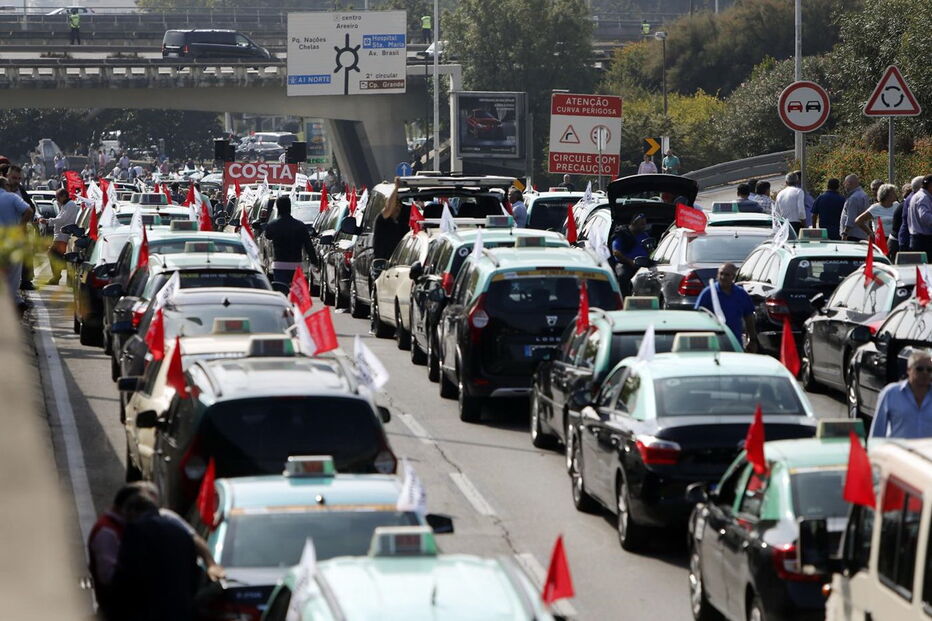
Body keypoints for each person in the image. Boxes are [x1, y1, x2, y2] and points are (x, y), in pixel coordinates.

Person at [110, 494, 198, 621]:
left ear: (133, 512)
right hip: (182, 611)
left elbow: (127, 574)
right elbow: (193, 576)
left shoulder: (136, 530)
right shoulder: (181, 532)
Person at [694, 262, 758, 351]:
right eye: (721, 274)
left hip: (735, 343)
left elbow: (749, 317)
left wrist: (752, 340)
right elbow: (698, 316)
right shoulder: (708, 293)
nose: (723, 277)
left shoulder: (741, 294)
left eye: (727, 275)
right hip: (713, 343)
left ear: (733, 277)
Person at [870, 349, 932, 439]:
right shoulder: (891, 393)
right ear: (909, 370)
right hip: (897, 451)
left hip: (927, 452)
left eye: (929, 370)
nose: (925, 373)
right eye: (919, 369)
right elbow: (877, 431)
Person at [0, 176, 34, 313]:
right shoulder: (12, 197)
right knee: (14, 275)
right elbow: (29, 210)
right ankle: (15, 301)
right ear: (6, 185)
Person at [263, 195, 314, 285]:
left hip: (279, 264)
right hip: (296, 265)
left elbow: (268, 236)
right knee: (296, 293)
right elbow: (308, 245)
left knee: (282, 289)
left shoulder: (272, 225)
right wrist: (314, 261)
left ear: (278, 208)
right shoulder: (300, 225)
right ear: (290, 208)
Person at [6, 165, 37, 291]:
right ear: (8, 176)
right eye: (14, 178)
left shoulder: (21, 191)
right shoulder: (3, 190)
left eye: (19, 178)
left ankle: (26, 280)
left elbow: (31, 209)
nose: (16, 181)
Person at [41, 189, 80, 286]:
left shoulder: (70, 205)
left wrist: (48, 221)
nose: (57, 200)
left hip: (63, 236)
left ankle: (57, 276)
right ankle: (57, 275)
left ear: (64, 196)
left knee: (53, 254)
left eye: (58, 197)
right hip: (60, 235)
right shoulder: (65, 205)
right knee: (54, 255)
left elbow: (62, 219)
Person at [610, 213, 649, 296]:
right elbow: (616, 252)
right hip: (625, 264)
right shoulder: (622, 234)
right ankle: (624, 298)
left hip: (642, 264)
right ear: (634, 223)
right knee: (623, 275)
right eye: (642, 224)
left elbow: (650, 249)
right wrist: (630, 262)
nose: (644, 226)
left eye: (645, 224)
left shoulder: (644, 235)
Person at [840, 174, 870, 241]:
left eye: (845, 183)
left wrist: (845, 233)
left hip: (852, 235)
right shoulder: (864, 195)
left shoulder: (853, 198)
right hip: (862, 234)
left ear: (849, 183)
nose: (844, 186)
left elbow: (851, 217)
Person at [909, 175, 932, 256]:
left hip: (919, 239)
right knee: (926, 267)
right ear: (930, 185)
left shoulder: (919, 195)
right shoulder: (923, 197)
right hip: (923, 241)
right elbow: (925, 217)